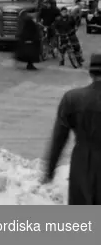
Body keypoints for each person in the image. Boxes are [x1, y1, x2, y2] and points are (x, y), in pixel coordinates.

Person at [44, 52, 101, 204]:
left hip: (81, 164)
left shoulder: (72, 99)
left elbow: (59, 138)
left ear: (91, 73)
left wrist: (50, 170)